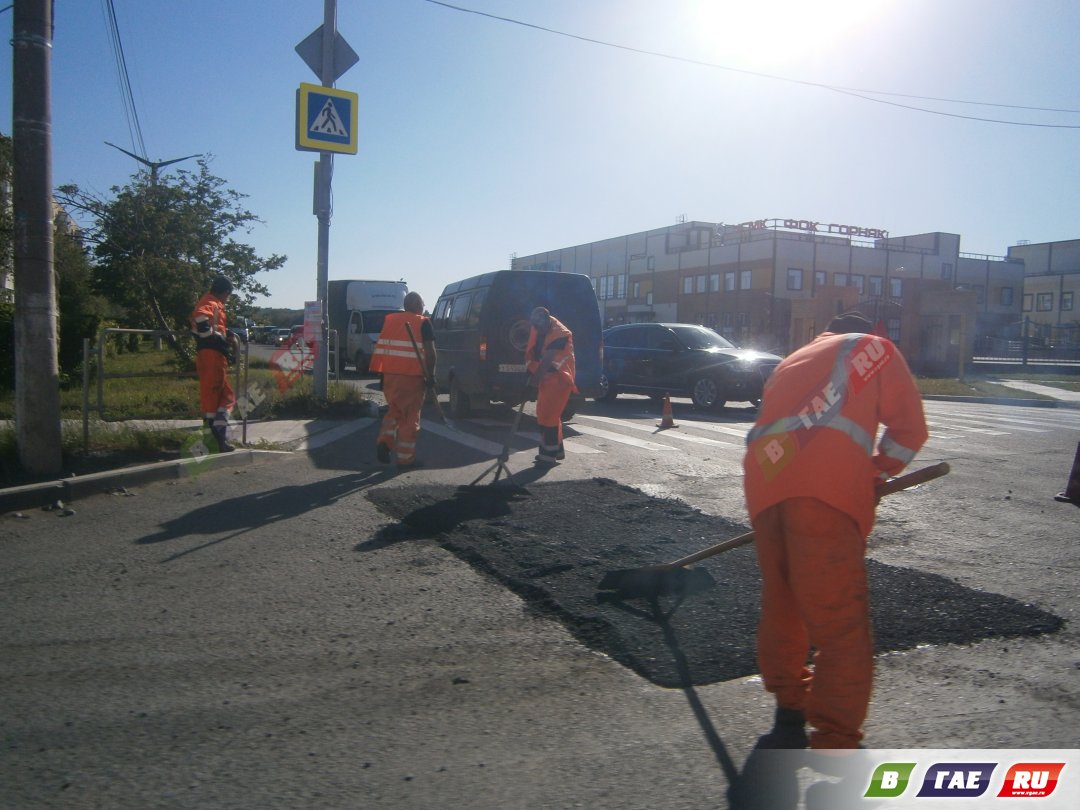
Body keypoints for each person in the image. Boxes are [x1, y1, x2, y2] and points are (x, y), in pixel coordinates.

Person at [742, 311, 928, 750]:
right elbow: (909, 430)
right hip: (823, 492)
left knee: (784, 599)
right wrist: (879, 472)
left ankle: (790, 702)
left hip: (765, 481)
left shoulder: (795, 357)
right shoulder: (875, 348)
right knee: (840, 624)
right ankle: (836, 740)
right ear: (863, 329)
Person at [368, 291, 436, 469]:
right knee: (409, 417)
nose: (423, 307)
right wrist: (431, 375)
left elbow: (384, 349)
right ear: (417, 306)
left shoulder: (391, 321)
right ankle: (405, 459)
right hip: (412, 376)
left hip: (390, 375)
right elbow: (430, 352)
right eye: (422, 304)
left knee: (395, 411)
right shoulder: (422, 322)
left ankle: (384, 441)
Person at [190, 275, 240, 453]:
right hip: (212, 356)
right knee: (216, 398)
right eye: (228, 294)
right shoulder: (210, 302)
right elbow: (200, 317)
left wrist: (227, 335)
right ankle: (216, 441)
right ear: (226, 292)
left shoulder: (213, 303)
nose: (228, 298)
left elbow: (214, 325)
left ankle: (216, 440)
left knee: (223, 397)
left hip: (213, 356)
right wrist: (213, 337)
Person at [525, 307, 577, 466]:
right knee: (545, 413)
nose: (538, 331)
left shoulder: (559, 334)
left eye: (540, 328)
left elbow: (547, 360)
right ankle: (557, 450)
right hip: (548, 378)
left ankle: (548, 457)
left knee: (549, 416)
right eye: (536, 328)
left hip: (560, 379)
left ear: (547, 321)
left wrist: (534, 380)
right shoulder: (538, 325)